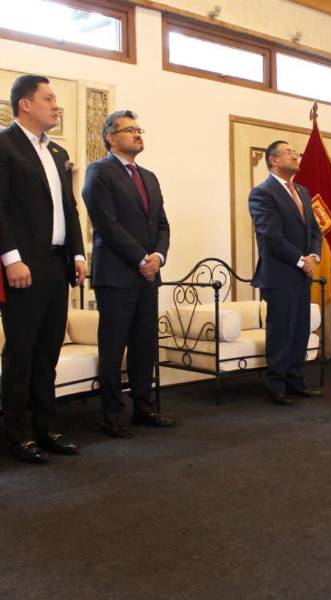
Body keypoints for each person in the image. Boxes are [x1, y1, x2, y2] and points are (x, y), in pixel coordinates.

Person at [0, 74, 86, 463]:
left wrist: (78, 254)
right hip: (23, 266)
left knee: (48, 352)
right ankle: (16, 436)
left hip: (57, 264)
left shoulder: (56, 151)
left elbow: (70, 208)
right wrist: (11, 258)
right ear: (25, 104)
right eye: (48, 99)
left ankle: (46, 429)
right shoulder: (5, 145)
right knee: (21, 353)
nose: (56, 105)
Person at [82, 110, 174, 438]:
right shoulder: (99, 171)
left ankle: (144, 407)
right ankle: (111, 415)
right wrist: (140, 258)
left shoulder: (149, 176)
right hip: (117, 275)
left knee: (144, 344)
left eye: (139, 129)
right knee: (114, 346)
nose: (137, 134)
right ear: (111, 137)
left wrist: (158, 257)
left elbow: (161, 223)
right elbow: (106, 224)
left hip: (148, 275)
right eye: (130, 130)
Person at [248, 140, 322, 405]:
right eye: (289, 152)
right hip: (280, 274)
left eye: (295, 152)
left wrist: (314, 256)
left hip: (302, 273)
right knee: (281, 331)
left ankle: (295, 382)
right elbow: (271, 236)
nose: (295, 156)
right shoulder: (262, 193)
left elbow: (315, 230)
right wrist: (301, 261)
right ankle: (276, 386)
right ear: (274, 160)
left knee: (300, 329)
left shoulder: (302, 191)